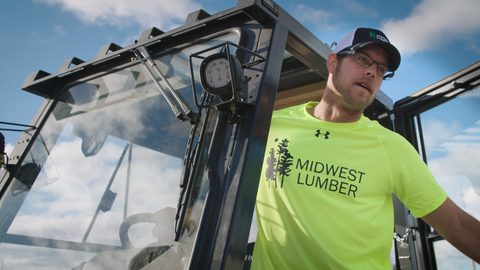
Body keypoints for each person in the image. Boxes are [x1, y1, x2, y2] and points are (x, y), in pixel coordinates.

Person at [251, 28, 480, 269]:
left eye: (381, 69)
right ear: (332, 63)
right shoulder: (271, 125)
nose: (372, 72)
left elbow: (458, 226)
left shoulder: (392, 147)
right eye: (362, 59)